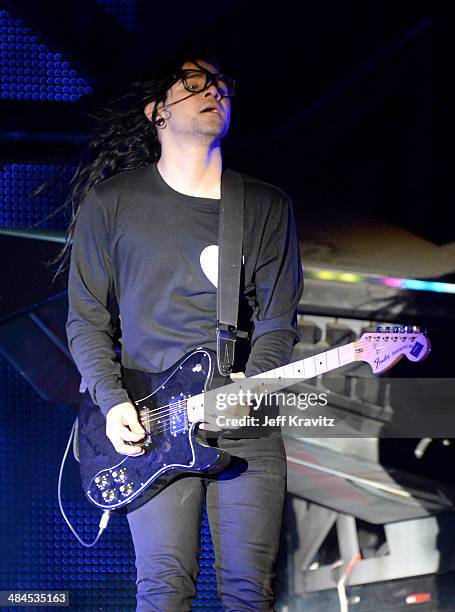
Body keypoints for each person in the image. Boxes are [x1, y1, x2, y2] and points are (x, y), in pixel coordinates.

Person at [64, 51, 303, 611]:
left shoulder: (265, 206)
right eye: (193, 83)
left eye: (221, 83)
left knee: (249, 592)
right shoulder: (112, 204)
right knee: (165, 589)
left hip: (245, 420)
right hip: (150, 421)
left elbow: (277, 322)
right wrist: (113, 402)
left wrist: (252, 385)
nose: (213, 90)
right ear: (157, 113)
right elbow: (87, 319)